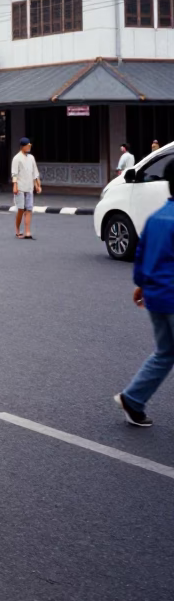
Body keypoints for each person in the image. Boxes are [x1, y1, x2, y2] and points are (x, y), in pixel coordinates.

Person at [115, 158, 174, 427]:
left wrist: (141, 285)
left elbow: (142, 254)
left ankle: (133, 399)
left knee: (165, 353)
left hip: (155, 297)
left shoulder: (156, 217)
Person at [11, 136, 41, 240]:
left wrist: (37, 185)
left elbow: (35, 172)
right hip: (20, 187)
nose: (29, 147)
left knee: (28, 209)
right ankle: (18, 230)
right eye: (27, 146)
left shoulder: (31, 158)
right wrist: (15, 186)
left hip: (29, 187)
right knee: (20, 209)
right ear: (23, 147)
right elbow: (14, 174)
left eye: (30, 146)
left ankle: (27, 231)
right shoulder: (16, 158)